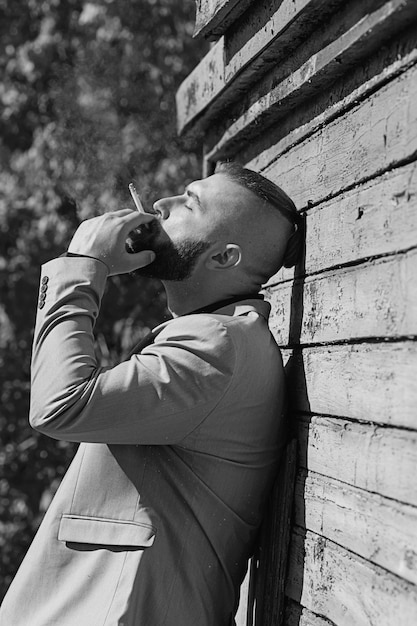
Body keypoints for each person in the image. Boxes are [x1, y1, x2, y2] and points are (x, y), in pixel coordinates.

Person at [0, 162, 302, 625]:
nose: (162, 204)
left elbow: (59, 405)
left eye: (190, 202)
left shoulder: (216, 348)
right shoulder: (219, 338)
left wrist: (81, 266)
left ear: (224, 258)